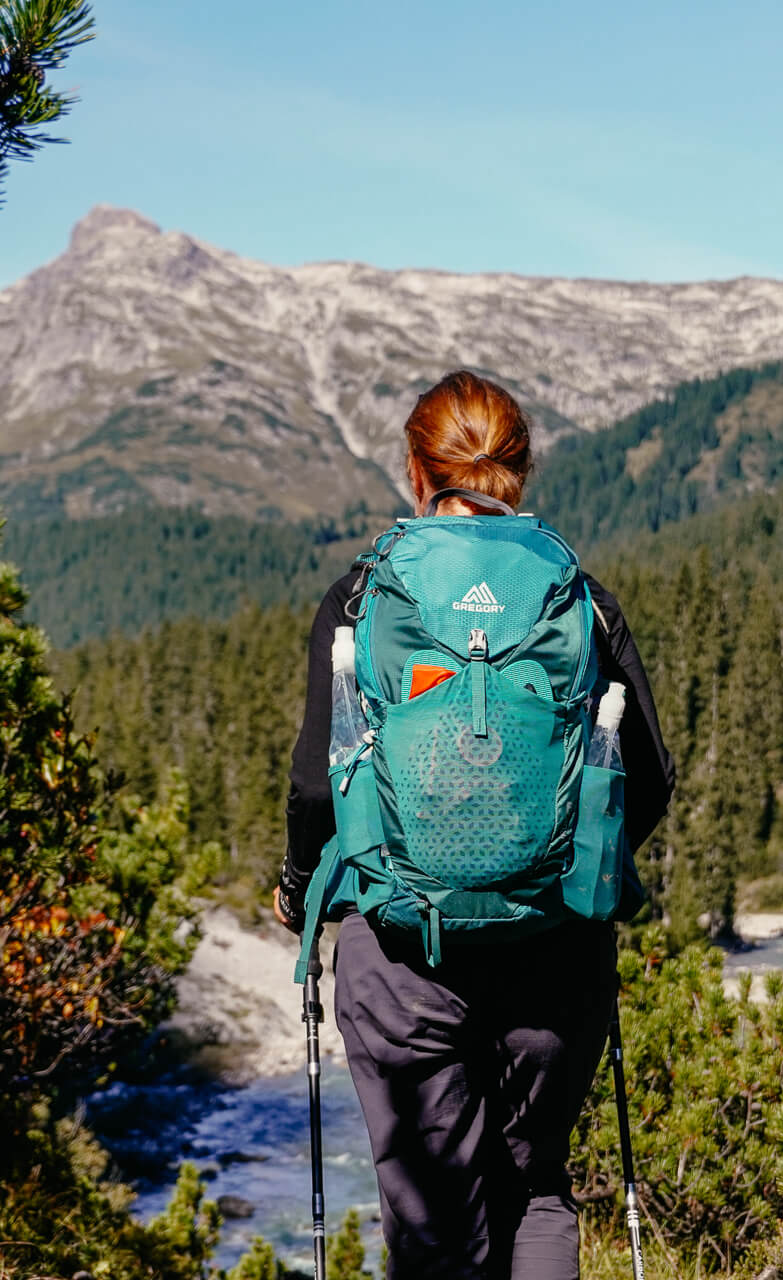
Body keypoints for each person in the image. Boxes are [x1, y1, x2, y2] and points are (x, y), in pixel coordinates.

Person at [273, 370, 675, 1279]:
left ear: (419, 474)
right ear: (520, 473)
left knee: (435, 1227)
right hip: (554, 957)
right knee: (536, 1192)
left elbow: (313, 790)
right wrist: (561, 876)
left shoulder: (362, 599)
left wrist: (297, 890)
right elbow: (647, 782)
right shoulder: (579, 597)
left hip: (404, 958)